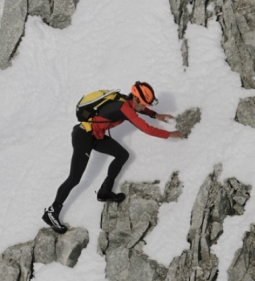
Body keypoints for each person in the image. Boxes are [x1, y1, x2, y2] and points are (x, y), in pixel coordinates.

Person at [42, 81, 184, 233]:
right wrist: (170, 134)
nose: (144, 108)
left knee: (122, 155)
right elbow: (146, 129)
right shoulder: (125, 108)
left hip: (96, 136)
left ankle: (105, 191)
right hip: (83, 136)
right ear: (135, 99)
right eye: (143, 104)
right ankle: (51, 212)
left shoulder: (125, 100)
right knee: (75, 178)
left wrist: (155, 115)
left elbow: (139, 110)